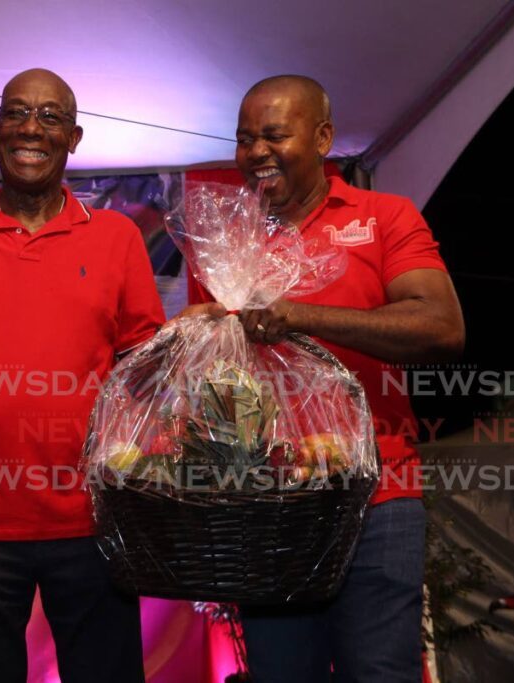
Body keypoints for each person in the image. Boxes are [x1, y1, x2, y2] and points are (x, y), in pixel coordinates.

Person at [187, 75, 465, 681]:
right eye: (243, 139)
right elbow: (221, 390)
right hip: (269, 504)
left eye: (273, 135)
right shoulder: (224, 246)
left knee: (381, 672)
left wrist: (299, 317)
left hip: (378, 495)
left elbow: (442, 327)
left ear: (323, 139)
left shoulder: (384, 216)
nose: (255, 151)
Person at [0, 68, 165, 683]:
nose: (31, 128)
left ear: (74, 138)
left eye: (50, 118)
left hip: (95, 515)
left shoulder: (118, 238)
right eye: (17, 113)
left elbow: (145, 373)